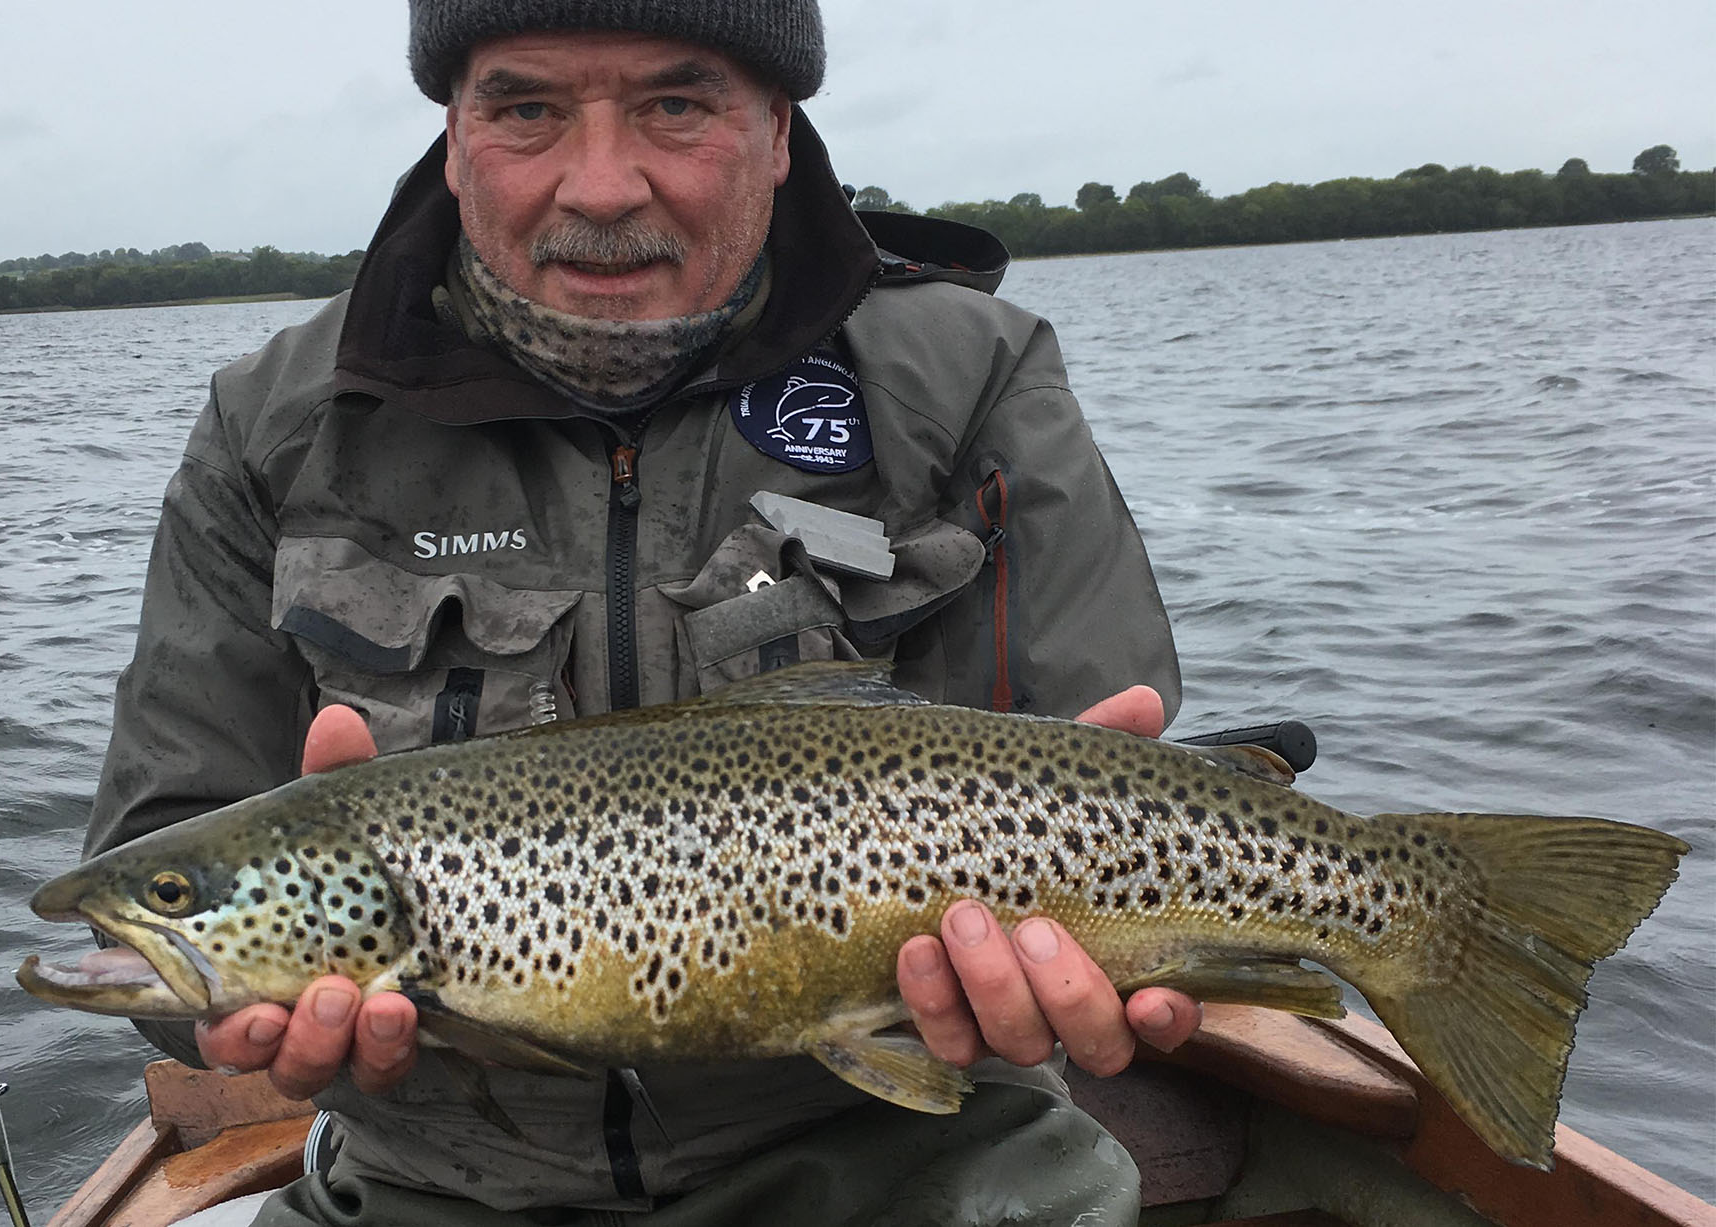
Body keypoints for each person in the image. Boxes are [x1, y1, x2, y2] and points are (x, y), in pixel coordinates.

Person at [86, 1, 1200, 1221]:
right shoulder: (274, 427)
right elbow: (164, 868)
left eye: (676, 105)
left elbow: (1107, 761)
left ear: (778, 129)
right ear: (453, 138)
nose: (604, 185)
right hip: (430, 1189)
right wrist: (234, 1019)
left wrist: (1075, 971)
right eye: (527, 110)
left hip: (921, 1162)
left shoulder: (971, 372)